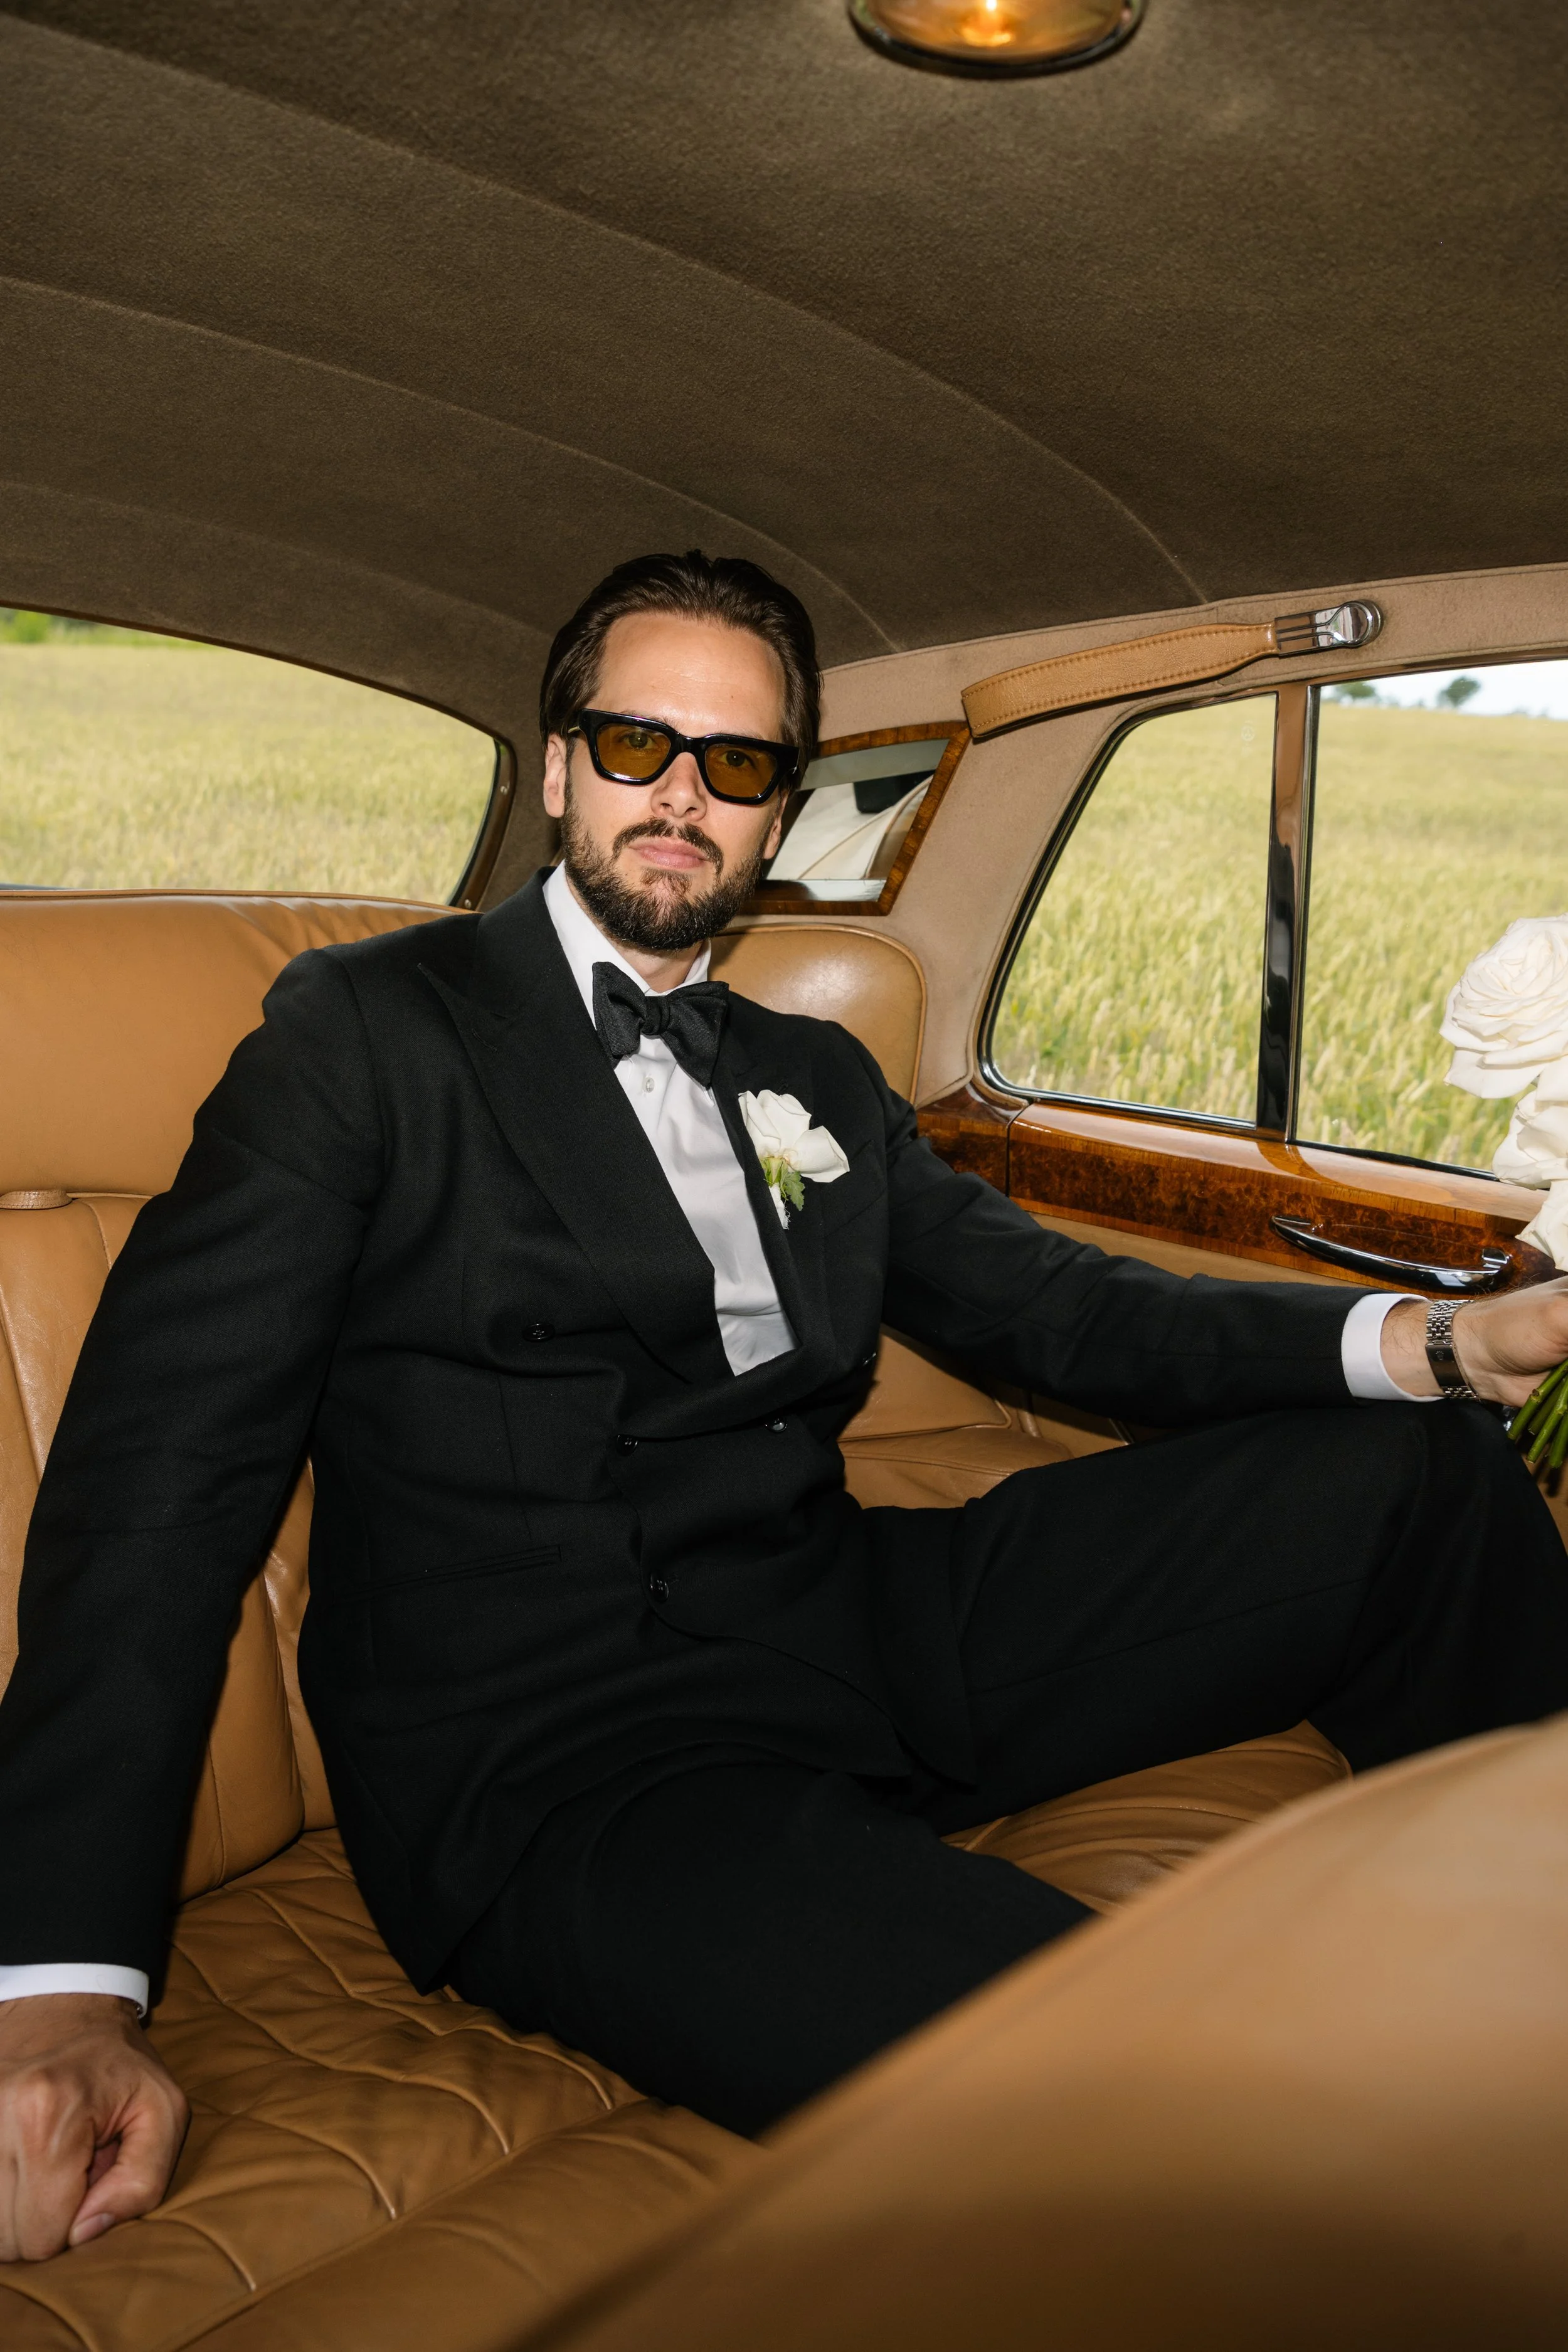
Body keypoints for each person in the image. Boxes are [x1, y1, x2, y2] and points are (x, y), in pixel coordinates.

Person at [2, 550, 1567, 2265]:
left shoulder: (813, 1076)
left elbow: (1062, 1306)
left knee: (1418, 1471)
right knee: (1125, 2074)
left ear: (777, 811)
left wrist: (1435, 1342)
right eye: (634, 743)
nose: (680, 792)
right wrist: (59, 1981)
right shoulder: (366, 1038)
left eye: (735, 763)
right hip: (568, 1760)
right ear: (554, 768)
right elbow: (164, 1477)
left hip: (846, 1621)